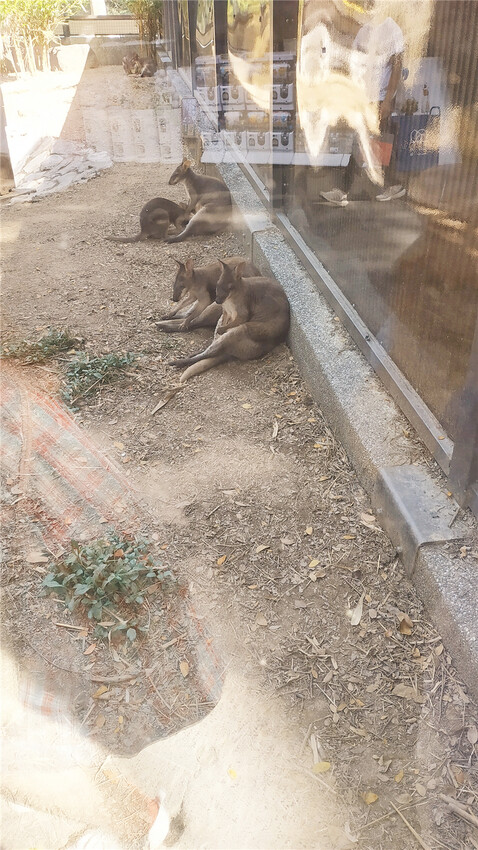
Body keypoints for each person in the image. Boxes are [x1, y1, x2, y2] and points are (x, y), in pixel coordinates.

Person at [321, 13, 405, 206]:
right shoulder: (364, 29)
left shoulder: (392, 29)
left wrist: (388, 99)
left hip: (380, 98)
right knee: (368, 141)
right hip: (364, 97)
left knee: (372, 141)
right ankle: (391, 185)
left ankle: (344, 191)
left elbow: (397, 66)